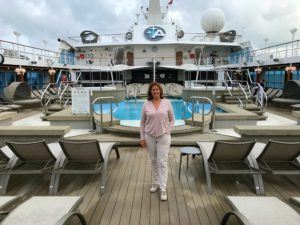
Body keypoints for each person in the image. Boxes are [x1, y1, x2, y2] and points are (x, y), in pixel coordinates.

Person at [140, 82, 175, 201]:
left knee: (162, 162)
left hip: (163, 137)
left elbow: (172, 119)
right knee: (153, 161)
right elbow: (142, 123)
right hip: (149, 136)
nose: (155, 91)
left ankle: (163, 187)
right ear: (150, 92)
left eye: (157, 89)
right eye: (153, 90)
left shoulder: (167, 103)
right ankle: (155, 183)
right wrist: (142, 138)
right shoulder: (146, 105)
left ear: (160, 91)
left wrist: (168, 131)